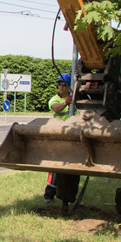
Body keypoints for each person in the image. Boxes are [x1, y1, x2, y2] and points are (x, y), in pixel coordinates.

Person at [43, 73, 78, 205]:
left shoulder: (76, 100)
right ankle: (49, 195)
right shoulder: (55, 99)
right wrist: (66, 103)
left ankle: (69, 195)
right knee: (54, 168)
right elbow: (56, 109)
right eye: (59, 84)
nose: (61, 87)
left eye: (64, 84)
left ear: (69, 86)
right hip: (58, 137)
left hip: (72, 138)